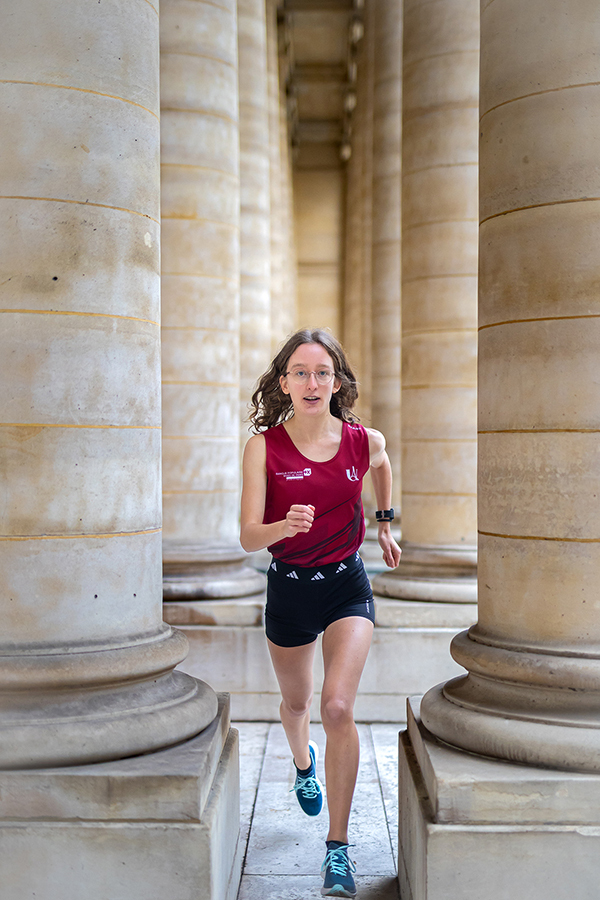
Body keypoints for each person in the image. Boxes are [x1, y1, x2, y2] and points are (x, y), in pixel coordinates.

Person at [240, 328, 401, 898]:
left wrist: (383, 520)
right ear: (284, 383)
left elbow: (382, 465)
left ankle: (337, 850)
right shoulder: (264, 446)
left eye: (323, 372)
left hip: (345, 589)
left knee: (336, 706)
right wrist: (284, 527)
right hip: (288, 589)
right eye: (301, 372)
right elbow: (245, 537)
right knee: (299, 703)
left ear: (338, 383)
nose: (312, 382)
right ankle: (303, 766)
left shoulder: (363, 439)